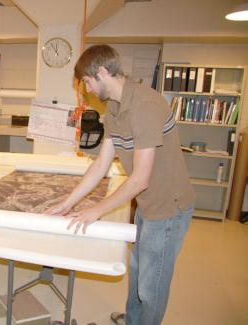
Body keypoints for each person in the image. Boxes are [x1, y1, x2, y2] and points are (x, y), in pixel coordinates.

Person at [45, 44, 195, 325]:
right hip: (148, 205)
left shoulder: (145, 106)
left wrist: (96, 210)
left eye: (87, 82)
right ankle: (133, 320)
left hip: (168, 209)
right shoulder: (114, 107)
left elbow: (140, 178)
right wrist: (67, 203)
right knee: (138, 272)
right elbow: (101, 164)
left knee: (152, 287)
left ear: (101, 72)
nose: (87, 90)